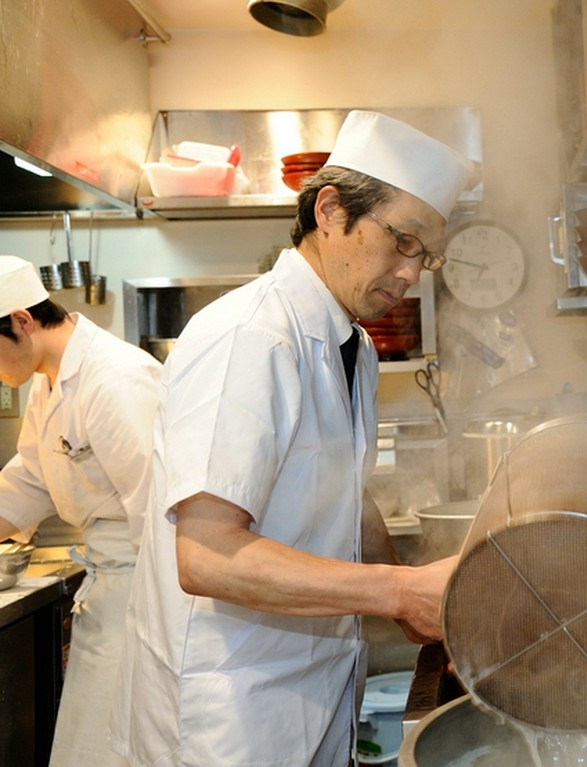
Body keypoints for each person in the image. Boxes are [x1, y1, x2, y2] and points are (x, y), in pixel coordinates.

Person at [111, 111, 477, 767]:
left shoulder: (355, 348)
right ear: (330, 210)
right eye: (402, 240)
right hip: (228, 715)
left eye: (425, 254)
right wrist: (399, 589)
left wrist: (413, 607)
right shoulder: (249, 337)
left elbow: (350, 497)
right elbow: (207, 556)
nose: (411, 274)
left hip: (315, 688)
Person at [0, 256, 161, 767]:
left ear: (22, 321)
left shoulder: (116, 380)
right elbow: (28, 485)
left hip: (146, 604)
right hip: (109, 600)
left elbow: (161, 517)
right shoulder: (49, 384)